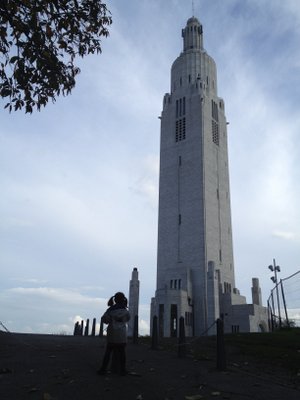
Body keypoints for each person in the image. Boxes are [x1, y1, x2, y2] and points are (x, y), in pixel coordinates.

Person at [98, 292, 130, 376]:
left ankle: (103, 369)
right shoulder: (125, 311)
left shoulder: (110, 310)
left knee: (108, 352)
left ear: (114, 300)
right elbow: (128, 319)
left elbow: (105, 320)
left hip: (112, 333)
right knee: (122, 352)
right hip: (122, 334)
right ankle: (123, 370)